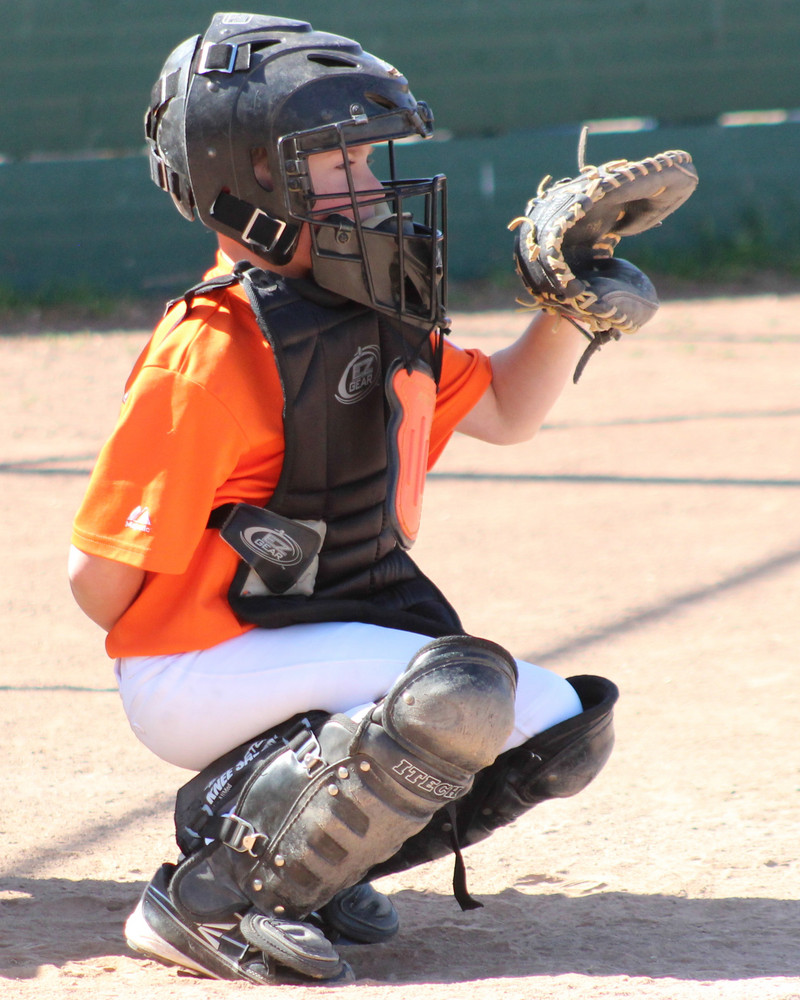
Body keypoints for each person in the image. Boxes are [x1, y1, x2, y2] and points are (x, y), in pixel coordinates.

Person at [68, 12, 618, 985]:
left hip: (305, 639)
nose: (369, 181)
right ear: (252, 176)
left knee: (559, 728)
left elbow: (502, 408)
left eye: (368, 156)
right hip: (194, 665)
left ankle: (308, 866)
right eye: (340, 159)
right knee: (458, 694)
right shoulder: (210, 348)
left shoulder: (370, 305)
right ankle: (208, 896)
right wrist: (226, 615)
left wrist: (573, 308)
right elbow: (97, 584)